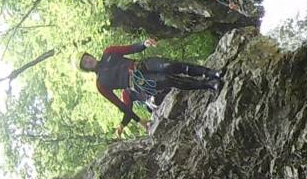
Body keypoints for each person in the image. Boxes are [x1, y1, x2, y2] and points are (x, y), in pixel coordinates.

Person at [78, 38, 223, 139]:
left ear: (90, 55)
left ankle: (211, 73)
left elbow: (129, 48)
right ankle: (209, 84)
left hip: (142, 65)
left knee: (170, 66)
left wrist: (144, 44)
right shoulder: (101, 84)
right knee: (168, 80)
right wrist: (137, 121)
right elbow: (121, 105)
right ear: (86, 69)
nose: (88, 61)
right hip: (140, 83)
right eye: (85, 63)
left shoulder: (108, 52)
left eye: (86, 58)